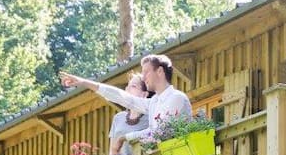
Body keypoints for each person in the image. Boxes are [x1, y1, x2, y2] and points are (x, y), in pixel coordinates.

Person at [60, 54, 192, 149]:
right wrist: (84, 82)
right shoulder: (154, 102)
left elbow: (158, 132)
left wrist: (125, 137)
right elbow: (122, 98)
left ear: (160, 71)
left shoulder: (176, 98)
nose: (144, 77)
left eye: (146, 72)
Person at [107, 72, 152, 155]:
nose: (127, 90)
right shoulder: (118, 118)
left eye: (133, 86)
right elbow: (111, 153)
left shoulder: (151, 116)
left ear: (144, 94)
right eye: (127, 87)